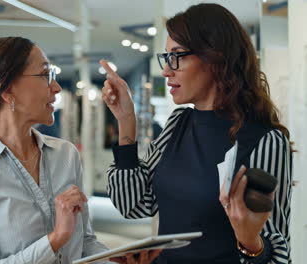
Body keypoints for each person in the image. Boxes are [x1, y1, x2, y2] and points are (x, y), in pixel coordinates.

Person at [101, 3, 292, 264]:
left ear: (215, 57)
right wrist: (125, 120)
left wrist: (250, 241)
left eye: (177, 56)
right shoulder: (178, 123)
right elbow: (133, 204)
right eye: (166, 57)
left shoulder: (263, 140)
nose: (166, 71)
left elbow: (277, 256)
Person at [0, 37, 160, 264]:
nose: (56, 87)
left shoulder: (66, 155)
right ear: (8, 89)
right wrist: (56, 238)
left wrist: (117, 260)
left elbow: (85, 242)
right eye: (45, 75)